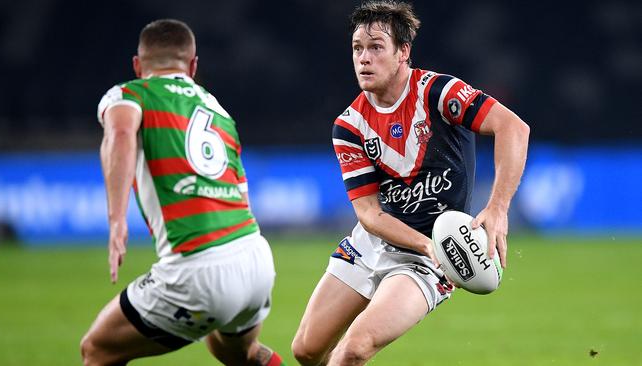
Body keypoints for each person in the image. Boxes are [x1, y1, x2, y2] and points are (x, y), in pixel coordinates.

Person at [292, 1, 529, 365]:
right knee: (306, 351)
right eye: (357, 48)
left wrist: (497, 208)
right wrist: (426, 243)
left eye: (375, 47)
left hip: (426, 262)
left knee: (353, 351)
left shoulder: (438, 93)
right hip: (374, 243)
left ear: (403, 52)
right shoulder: (350, 126)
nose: (363, 58)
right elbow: (369, 213)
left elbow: (513, 127)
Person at [80, 19, 284, 366]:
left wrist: (116, 220)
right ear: (193, 66)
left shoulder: (131, 94)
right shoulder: (219, 111)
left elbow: (120, 133)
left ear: (137, 65)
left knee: (97, 349)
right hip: (255, 259)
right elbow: (240, 192)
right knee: (239, 353)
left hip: (198, 268)